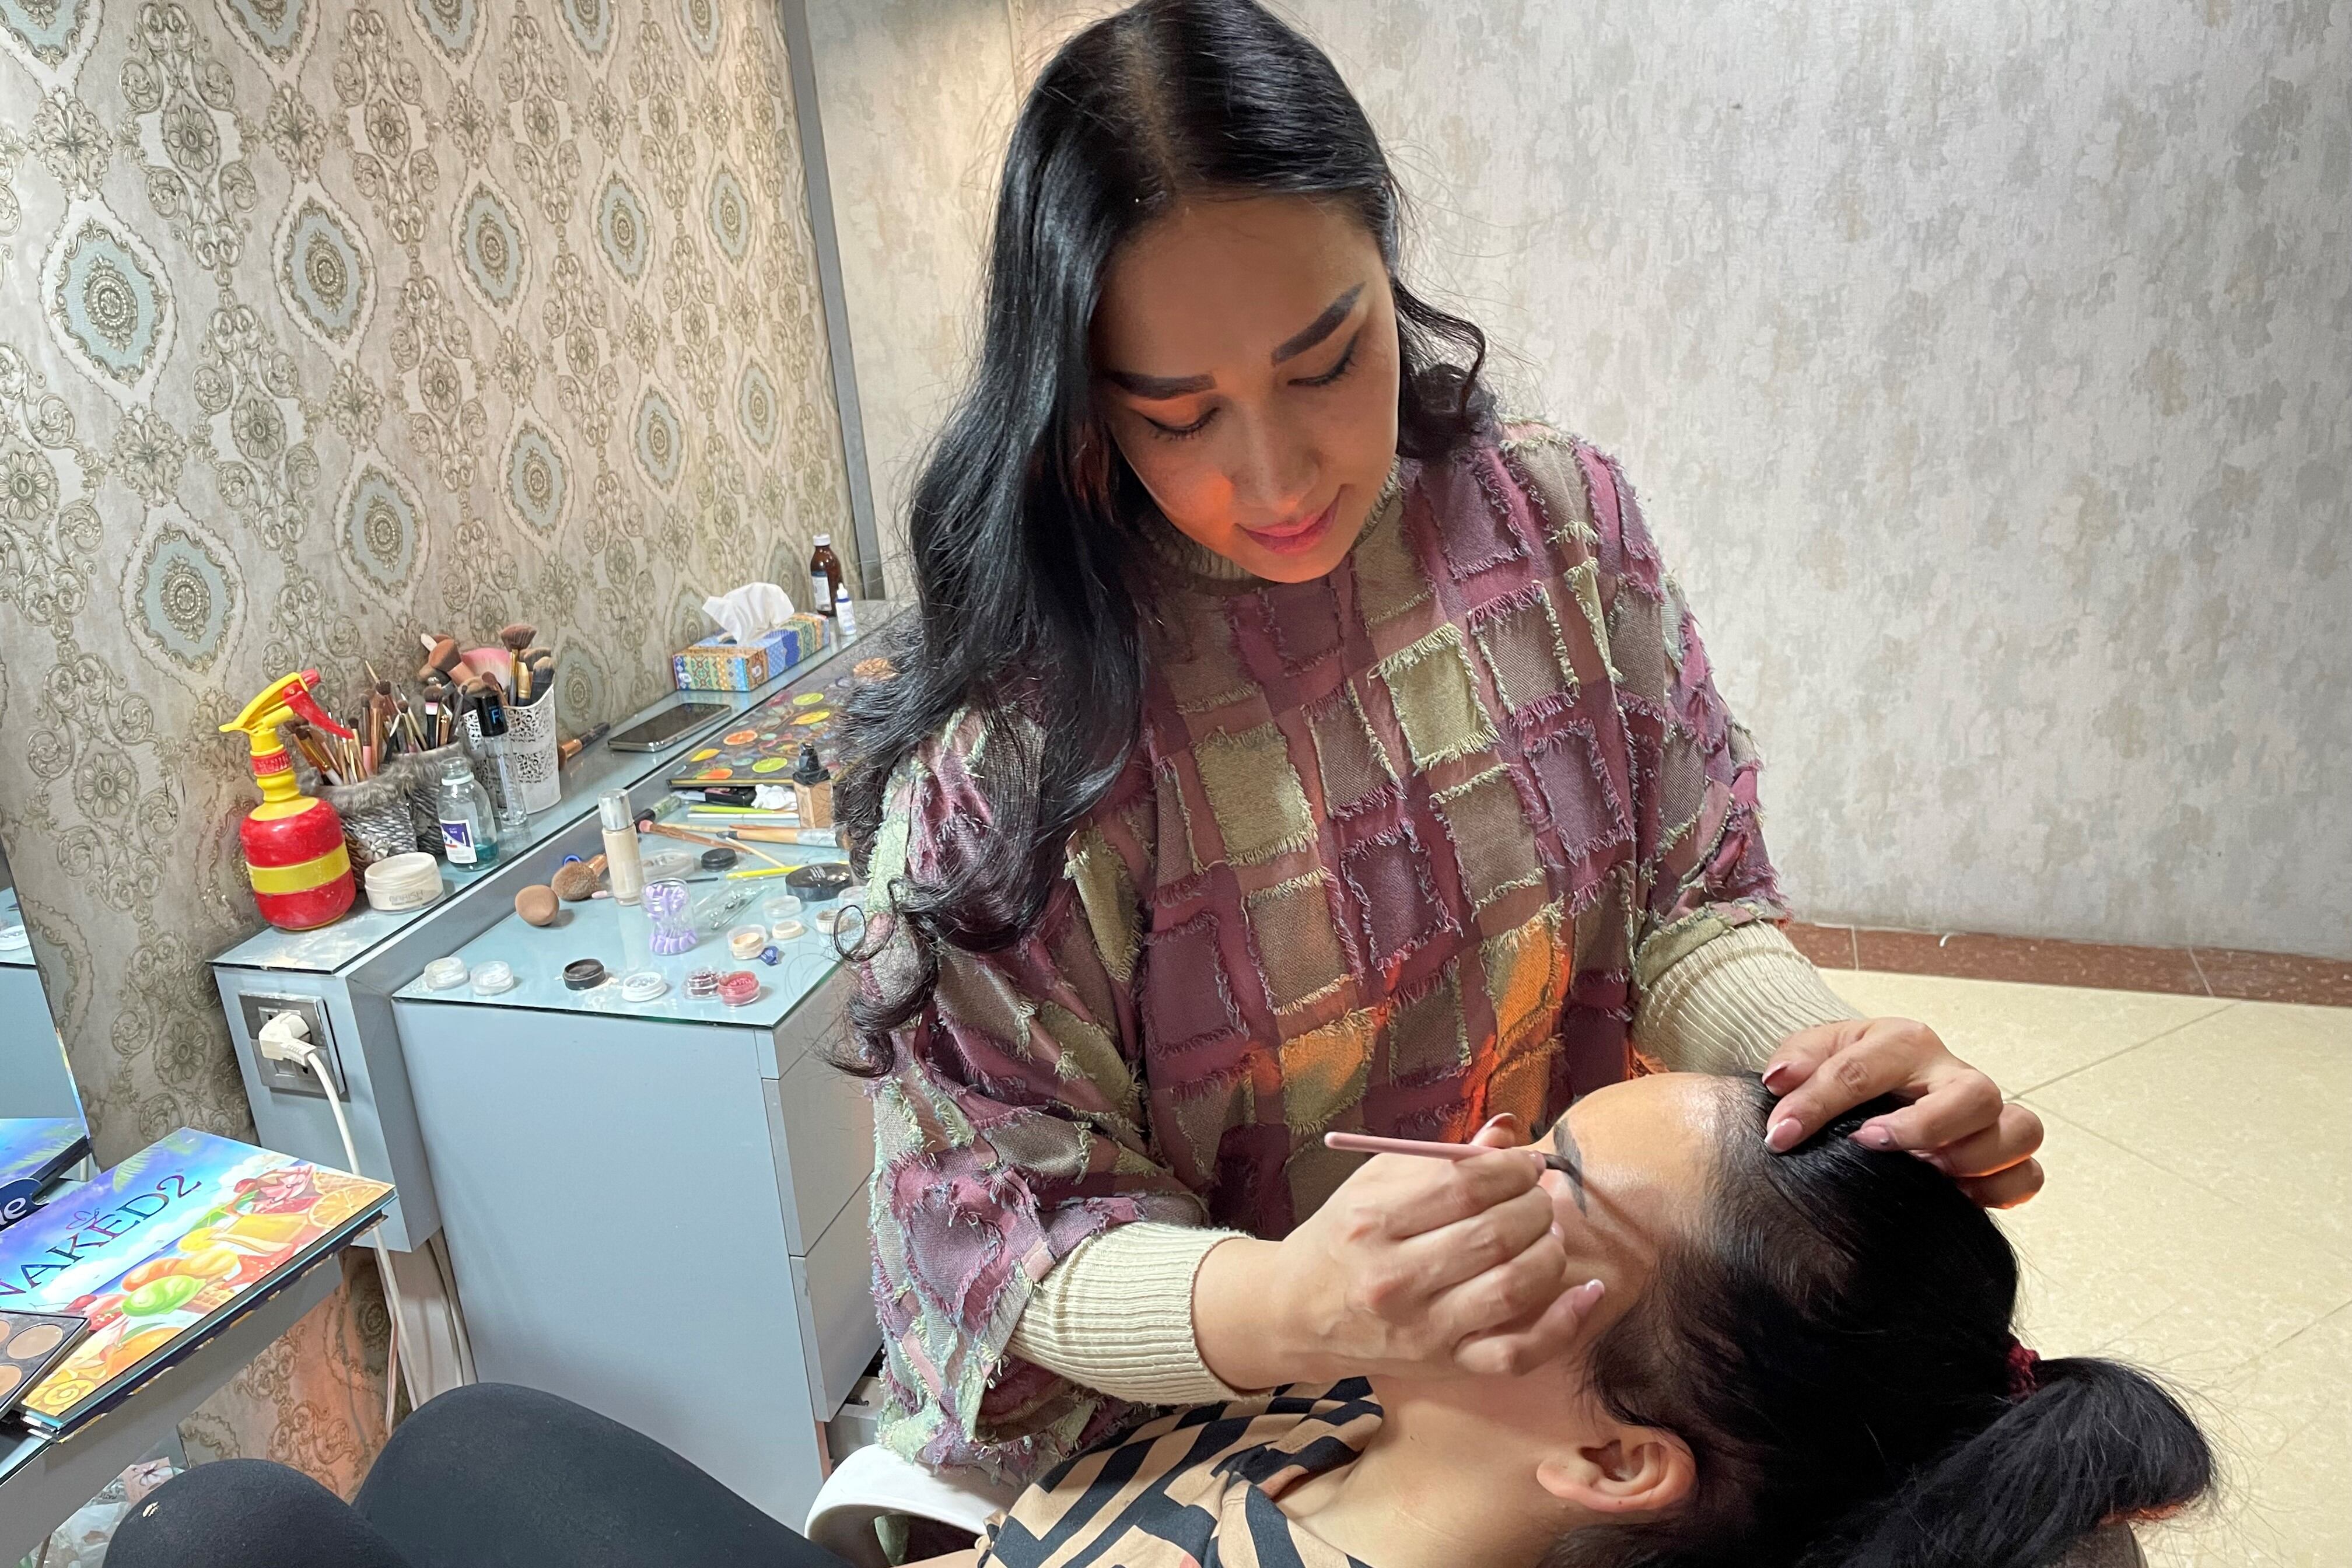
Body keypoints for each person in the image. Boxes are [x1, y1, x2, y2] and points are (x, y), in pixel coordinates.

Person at [835, 0, 2045, 1482]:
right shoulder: (1019, 755)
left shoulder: (1553, 528)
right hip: (1181, 1429)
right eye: (1180, 416)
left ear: (1384, 267)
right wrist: (1298, 1300)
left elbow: (1681, 909)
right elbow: (1004, 1237)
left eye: (1328, 363)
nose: (1273, 478)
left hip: (1520, 1377)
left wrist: (1826, 1078)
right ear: (1084, 407)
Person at [109, 1076, 2203, 1568]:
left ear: (1614, 1450)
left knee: (214, 1533)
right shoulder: (1370, 1382)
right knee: (461, 1446)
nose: (1471, 1143)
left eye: (1551, 1176)